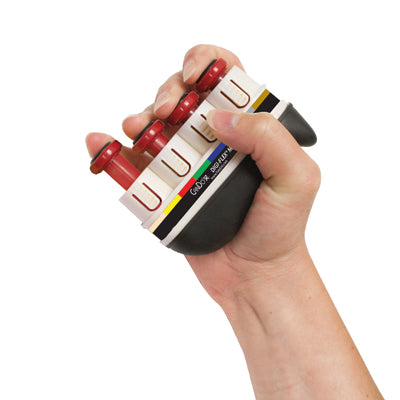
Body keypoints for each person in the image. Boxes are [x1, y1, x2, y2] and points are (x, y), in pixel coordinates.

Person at [86, 45, 383, 399]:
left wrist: (264, 275)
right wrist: (264, 277)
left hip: (195, 229)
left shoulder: (201, 236)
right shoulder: (202, 237)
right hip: (195, 229)